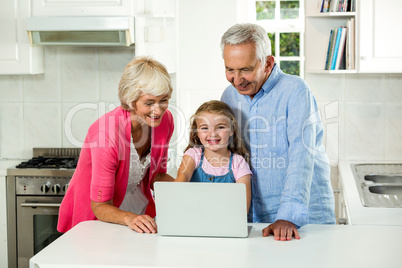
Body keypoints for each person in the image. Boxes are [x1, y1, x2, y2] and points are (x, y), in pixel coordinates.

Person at [220, 23, 336, 241]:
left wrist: (288, 217)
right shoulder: (229, 96)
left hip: (301, 219)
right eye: (230, 69)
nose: (237, 80)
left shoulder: (295, 91)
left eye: (245, 69)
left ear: (268, 63)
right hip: (255, 218)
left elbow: (302, 155)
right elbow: (227, 156)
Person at [58, 56, 174, 234]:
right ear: (130, 100)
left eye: (163, 100)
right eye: (149, 103)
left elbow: (156, 176)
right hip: (96, 216)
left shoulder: (165, 122)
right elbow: (100, 205)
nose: (158, 110)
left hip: (137, 210)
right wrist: (129, 218)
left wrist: (191, 189)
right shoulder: (106, 135)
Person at [175, 100, 252, 211]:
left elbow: (243, 206)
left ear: (231, 130)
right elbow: (183, 178)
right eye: (205, 128)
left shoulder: (238, 162)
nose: (212, 134)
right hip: (192, 218)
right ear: (196, 132)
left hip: (226, 222)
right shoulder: (193, 155)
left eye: (220, 127)